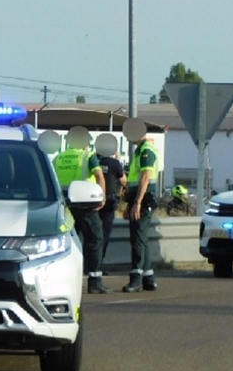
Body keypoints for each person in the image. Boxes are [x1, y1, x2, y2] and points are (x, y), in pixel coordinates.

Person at [54, 127, 109, 294]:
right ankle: (95, 281)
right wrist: (102, 197)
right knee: (95, 239)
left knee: (69, 243)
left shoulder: (59, 157)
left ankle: (67, 281)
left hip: (65, 206)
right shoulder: (88, 156)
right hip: (86, 205)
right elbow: (99, 176)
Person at [122, 119, 159, 293]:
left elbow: (145, 177)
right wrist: (130, 204)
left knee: (137, 239)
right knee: (141, 239)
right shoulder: (139, 151)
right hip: (138, 199)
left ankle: (136, 279)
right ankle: (148, 278)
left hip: (143, 200)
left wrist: (137, 202)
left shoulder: (146, 151)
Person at [95, 135, 127, 269]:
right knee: (105, 234)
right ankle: (99, 264)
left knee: (92, 235)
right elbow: (124, 181)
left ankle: (89, 264)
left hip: (93, 200)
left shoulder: (93, 160)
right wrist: (118, 160)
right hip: (109, 201)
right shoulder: (114, 163)